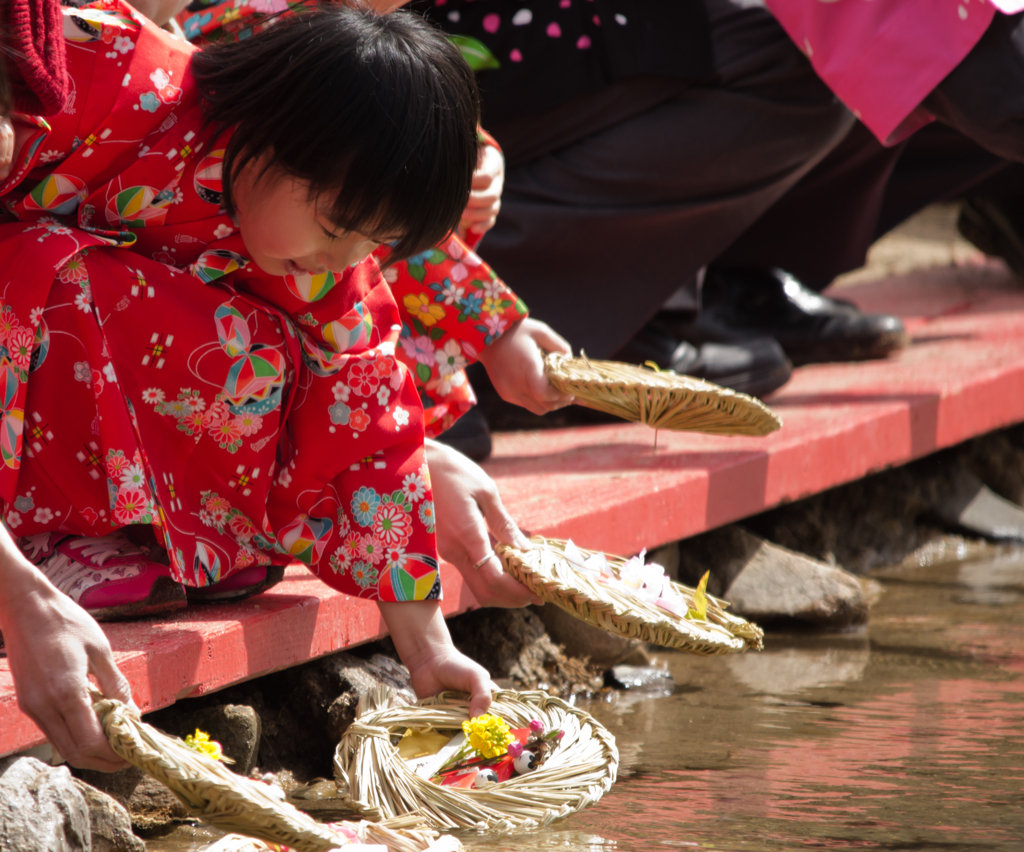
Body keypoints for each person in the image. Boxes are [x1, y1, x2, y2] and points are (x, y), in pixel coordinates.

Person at [0, 0, 503, 767]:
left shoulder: (323, 251)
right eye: (339, 228)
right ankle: (44, 536)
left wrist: (430, 651)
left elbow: (371, 410)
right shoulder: (100, 72)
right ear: (275, 137)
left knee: (268, 356)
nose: (346, 260)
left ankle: (121, 534)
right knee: (52, 268)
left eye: (374, 240)